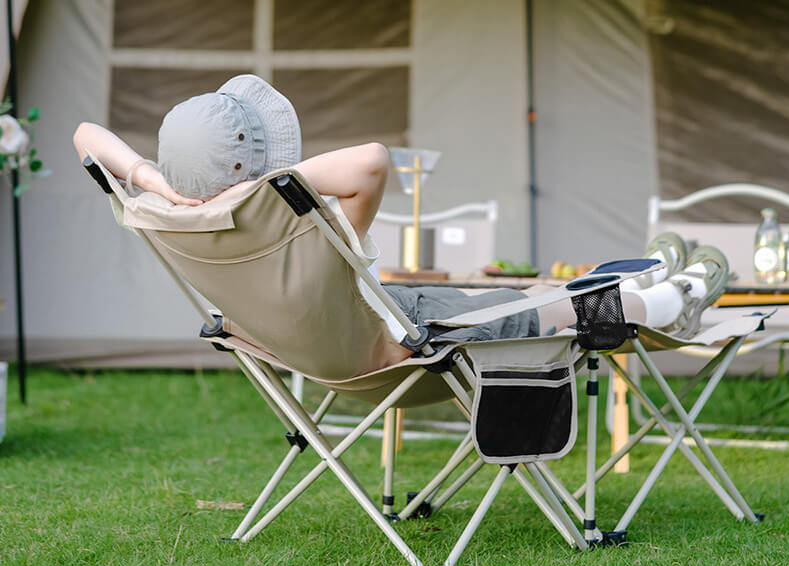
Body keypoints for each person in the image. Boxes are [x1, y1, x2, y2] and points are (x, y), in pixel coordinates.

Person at [74, 74, 729, 372]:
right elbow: (370, 161)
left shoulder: (164, 214)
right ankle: (662, 300)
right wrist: (272, 186)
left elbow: (85, 136)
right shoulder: (279, 212)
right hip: (389, 347)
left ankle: (638, 286)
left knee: (516, 294)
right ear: (257, 172)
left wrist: (153, 180)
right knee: (531, 312)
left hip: (321, 342)